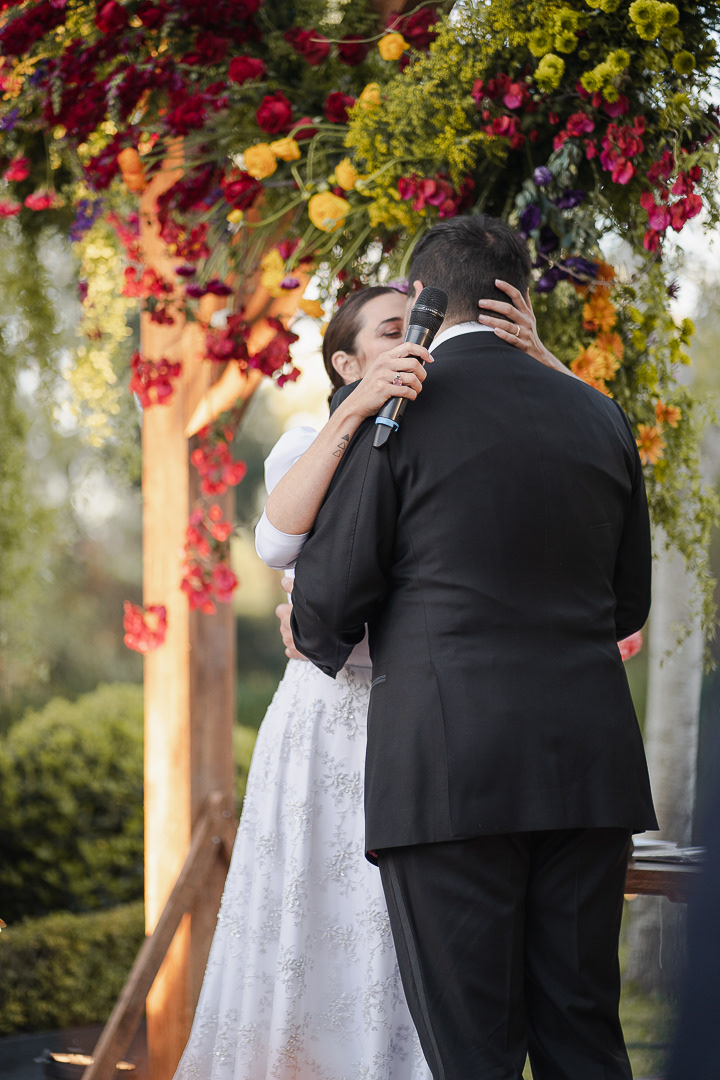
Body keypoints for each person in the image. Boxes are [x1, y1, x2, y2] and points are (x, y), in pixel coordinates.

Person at [290, 214, 658, 1080]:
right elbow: (627, 606)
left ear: (420, 296)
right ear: (519, 299)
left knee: (474, 1056)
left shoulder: (396, 410)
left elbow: (326, 612)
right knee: (585, 1043)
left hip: (449, 774)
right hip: (588, 770)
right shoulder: (600, 415)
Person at [172, 277, 561, 1080]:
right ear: (346, 363)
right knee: (311, 921)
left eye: (421, 326)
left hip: (426, 717)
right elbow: (278, 542)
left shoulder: (456, 439)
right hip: (328, 720)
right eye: (392, 330)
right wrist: (356, 411)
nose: (415, 340)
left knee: (407, 933)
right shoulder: (308, 439)